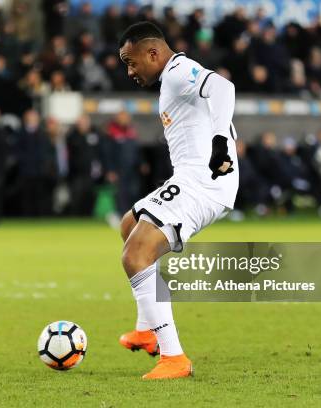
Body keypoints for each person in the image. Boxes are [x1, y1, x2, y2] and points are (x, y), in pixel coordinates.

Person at [117, 22, 238, 379]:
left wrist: (218, 142)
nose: (130, 71)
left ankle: (174, 358)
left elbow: (223, 87)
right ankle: (146, 331)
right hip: (190, 179)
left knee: (135, 254)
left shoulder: (177, 71)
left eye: (132, 61)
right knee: (129, 226)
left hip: (203, 183)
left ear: (153, 53)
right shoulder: (172, 76)